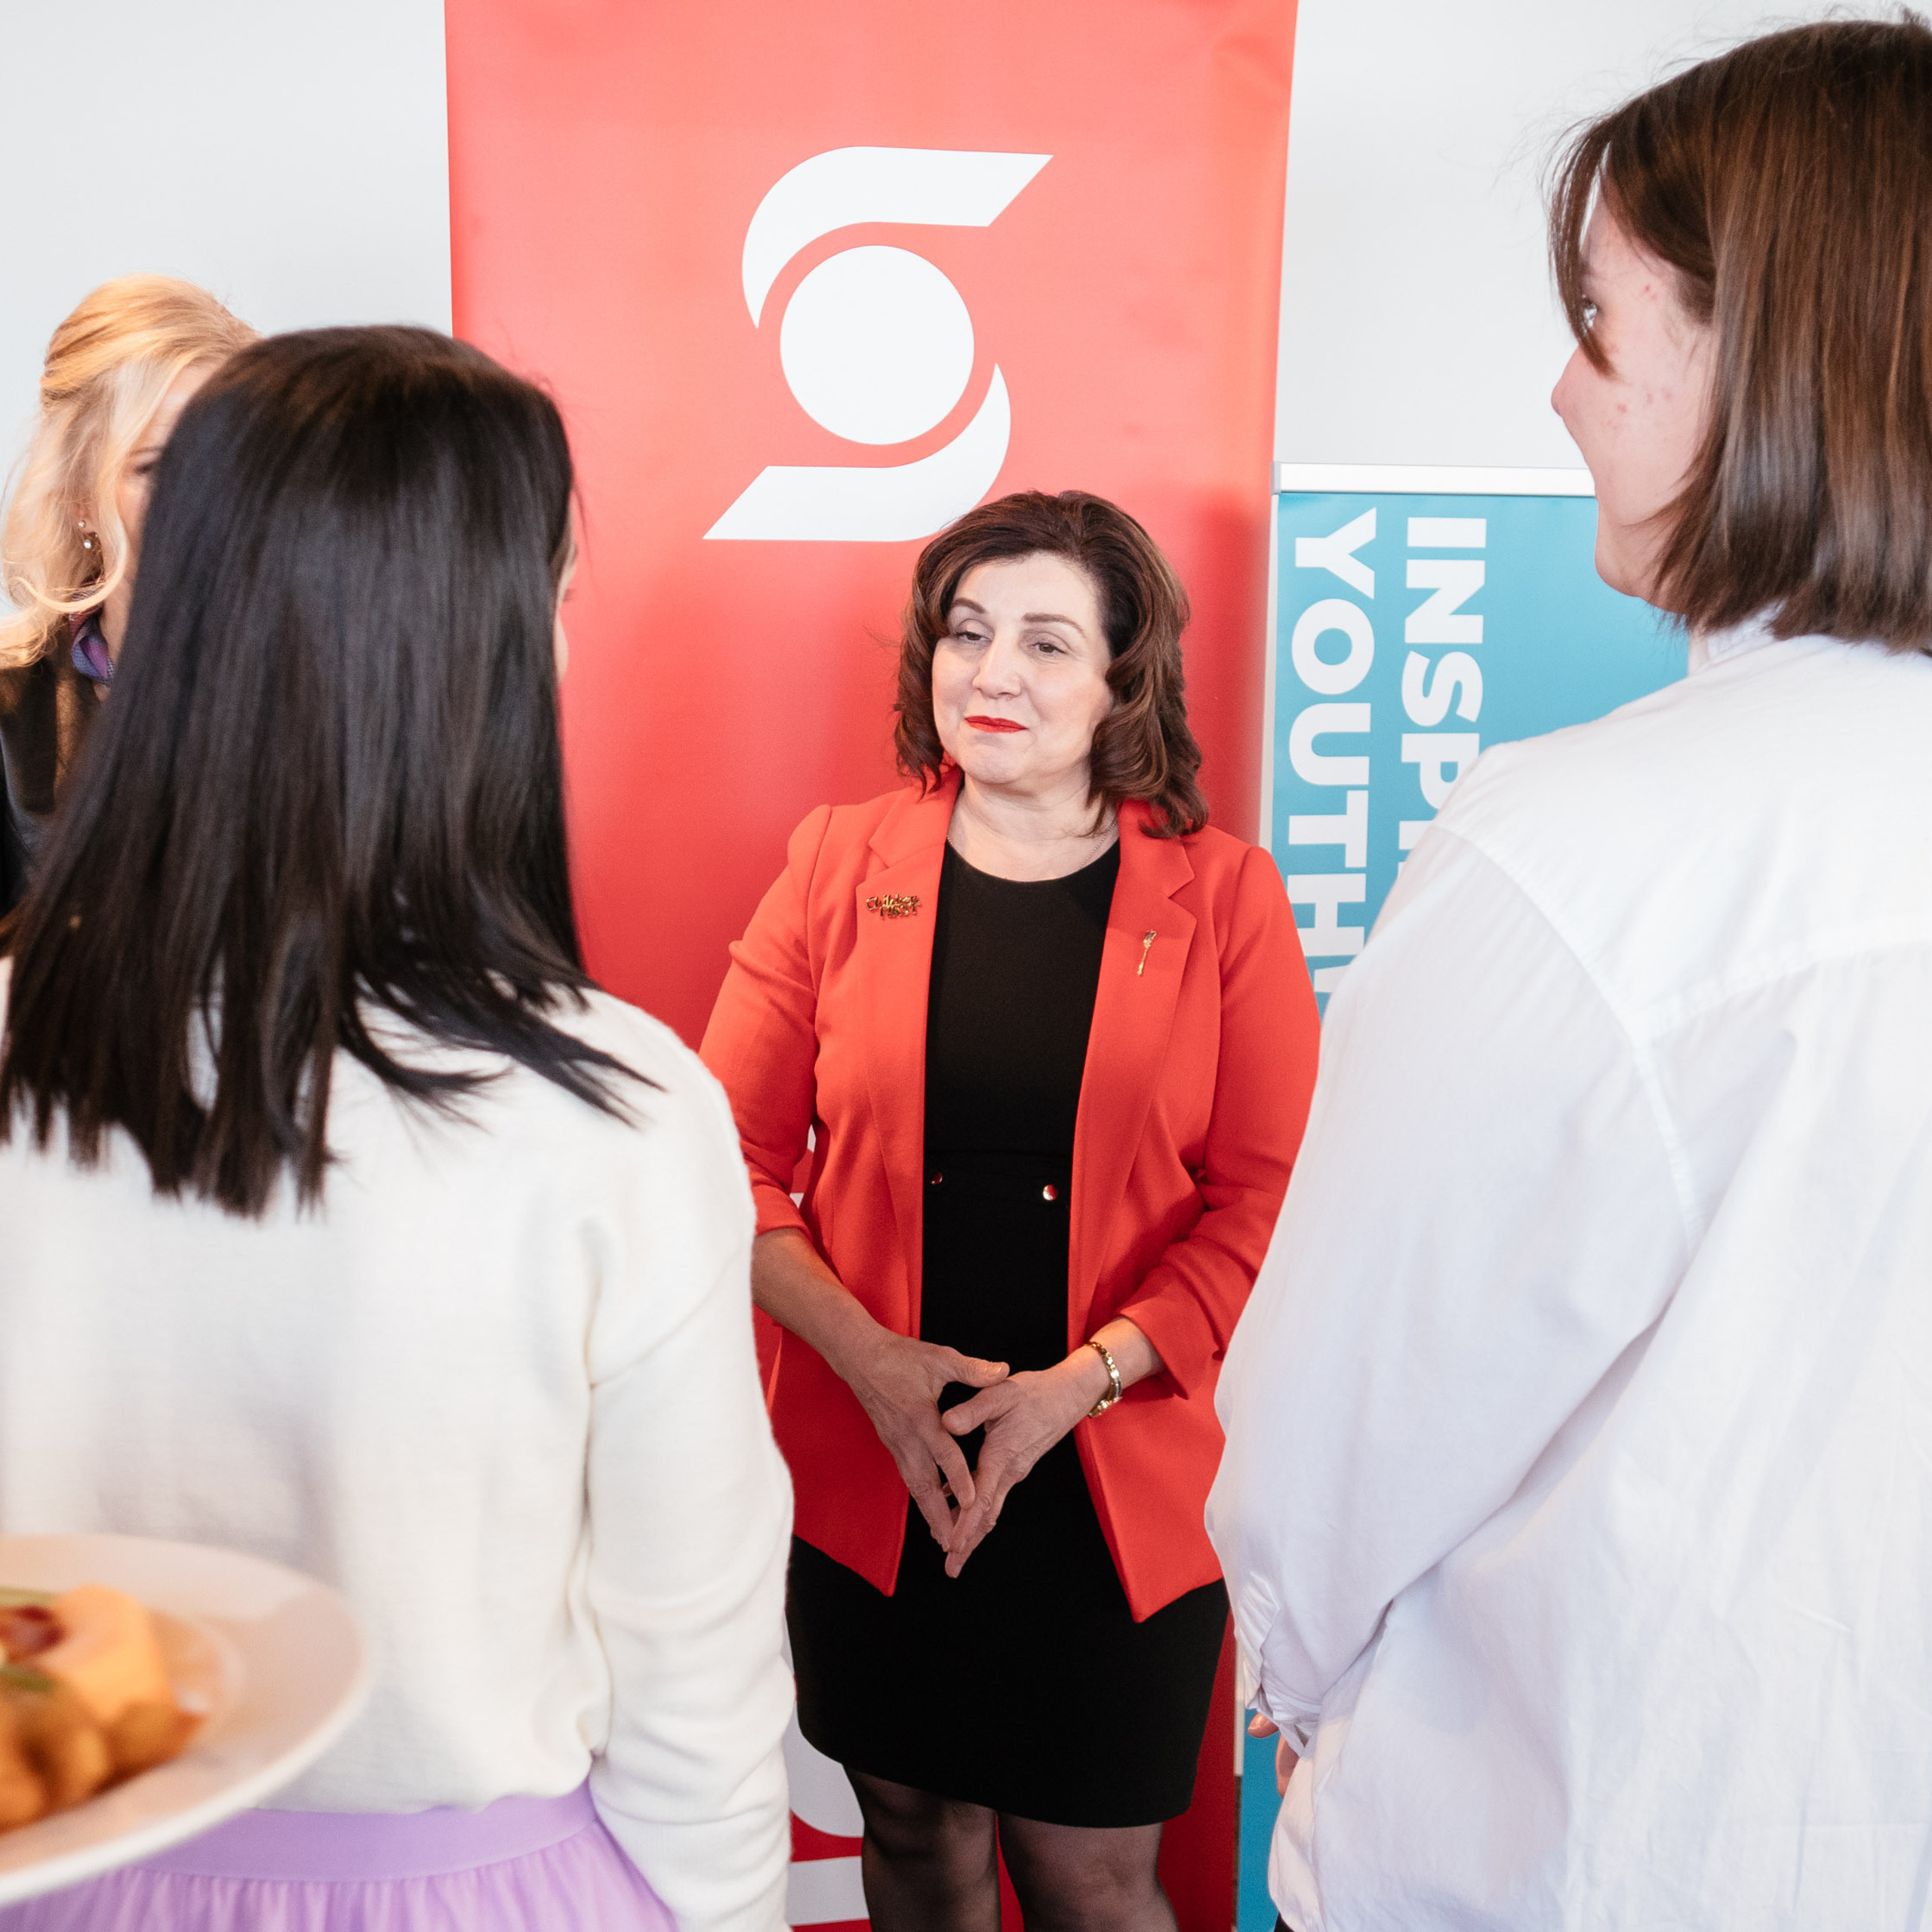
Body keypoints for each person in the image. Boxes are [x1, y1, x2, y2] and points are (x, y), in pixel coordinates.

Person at [1208, 17, 1932, 1931]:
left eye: (1600, 323)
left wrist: (1304, 1694)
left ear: (1769, 354)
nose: (1556, 386)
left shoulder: (1573, 852)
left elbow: (1318, 1455)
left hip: (1573, 1849)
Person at [0, 328, 792, 1931]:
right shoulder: (619, 1114)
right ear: (467, 651)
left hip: (61, 1863)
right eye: (552, 600)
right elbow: (693, 1690)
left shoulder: (22, 1032)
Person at [701, 490, 1318, 1930]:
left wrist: (1079, 1384)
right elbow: (715, 1158)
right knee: (913, 1838)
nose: (992, 674)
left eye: (1047, 643)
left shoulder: (1225, 896)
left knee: (1090, 1878)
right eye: (967, 633)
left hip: (1114, 1475)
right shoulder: (838, 864)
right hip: (877, 1460)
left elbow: (1269, 1201)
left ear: (1123, 682)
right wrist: (872, 1366)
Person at [0, 274, 254, 913]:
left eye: (230, 460)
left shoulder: (340, 688)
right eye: (157, 467)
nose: (207, 498)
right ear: (79, 496)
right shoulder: (7, 708)